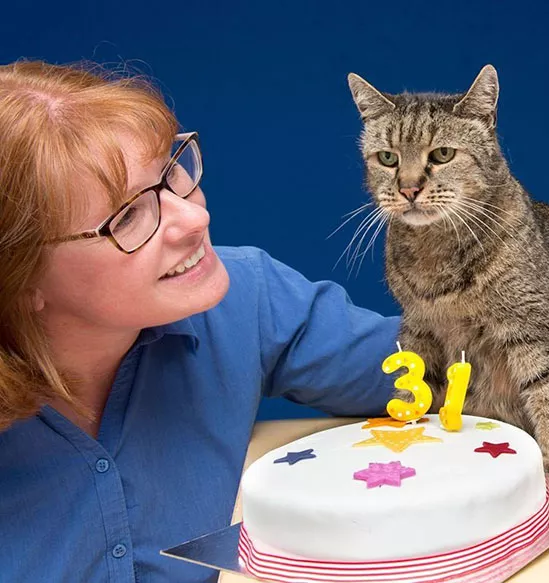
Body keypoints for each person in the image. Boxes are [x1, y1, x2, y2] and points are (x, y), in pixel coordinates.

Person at [0, 60, 399, 582]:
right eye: (129, 216)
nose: (195, 218)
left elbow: (460, 364)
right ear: (20, 277)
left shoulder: (248, 300)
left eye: (171, 173)